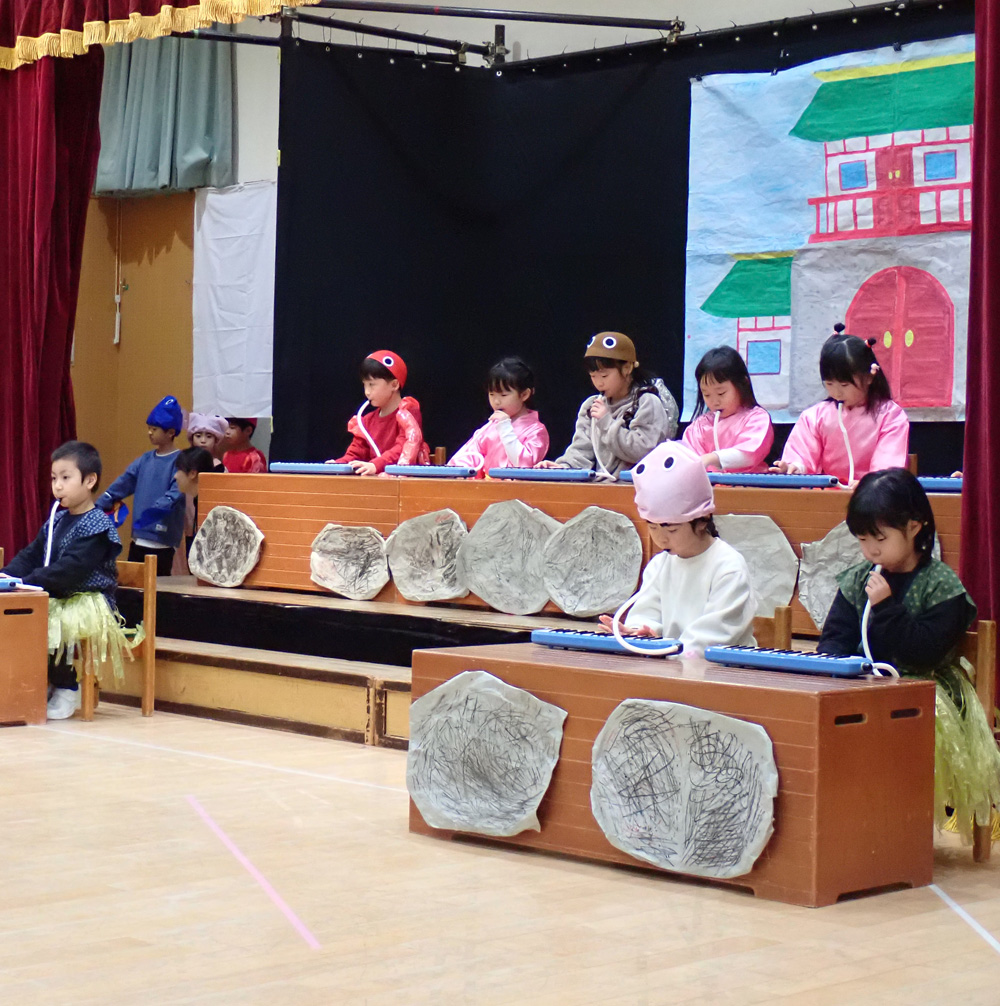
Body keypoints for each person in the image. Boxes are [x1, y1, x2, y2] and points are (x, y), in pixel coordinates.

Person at [817, 468, 1000, 840]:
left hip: (926, 692)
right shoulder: (857, 580)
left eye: (880, 538)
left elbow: (924, 651)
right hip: (865, 685)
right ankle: (853, 826)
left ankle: (901, 829)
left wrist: (885, 608)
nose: (871, 550)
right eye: (863, 539)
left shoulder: (942, 585)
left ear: (914, 527)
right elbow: (835, 640)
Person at [1, 442, 130, 720]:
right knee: (23, 614)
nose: (57, 486)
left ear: (89, 481)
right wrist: (8, 576)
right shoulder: (57, 521)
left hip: (89, 599)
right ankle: (33, 682)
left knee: (52, 619)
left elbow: (71, 569)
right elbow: (32, 554)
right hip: (58, 593)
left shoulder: (98, 526)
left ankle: (67, 686)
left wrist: (27, 581)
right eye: (53, 478)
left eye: (65, 478)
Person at [599, 441, 756, 657]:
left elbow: (710, 637)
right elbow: (647, 613)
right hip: (672, 665)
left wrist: (663, 650)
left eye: (671, 529)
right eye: (652, 527)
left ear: (702, 520)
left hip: (723, 671)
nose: (660, 538)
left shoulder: (728, 567)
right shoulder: (659, 565)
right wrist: (640, 633)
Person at [772, 324, 908, 486]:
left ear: (869, 377)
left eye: (844, 385)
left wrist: (870, 484)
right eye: (829, 384)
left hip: (871, 495)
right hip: (827, 492)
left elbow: (888, 465)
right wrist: (795, 467)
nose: (836, 393)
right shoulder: (815, 416)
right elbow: (802, 455)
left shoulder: (890, 415)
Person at [537, 332, 678, 478]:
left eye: (604, 376)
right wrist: (564, 467)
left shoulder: (646, 402)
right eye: (593, 376)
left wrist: (607, 422)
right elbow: (581, 451)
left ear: (627, 368)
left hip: (635, 486)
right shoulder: (591, 406)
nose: (599, 383)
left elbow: (644, 450)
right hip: (602, 487)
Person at [97, 395, 185, 575]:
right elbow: (125, 481)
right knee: (133, 584)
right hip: (138, 539)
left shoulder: (180, 462)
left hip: (162, 542)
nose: (149, 433)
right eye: (149, 428)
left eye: (154, 429)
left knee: (158, 586)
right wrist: (102, 502)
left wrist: (152, 514)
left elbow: (175, 494)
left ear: (170, 432)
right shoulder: (145, 460)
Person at [329, 350, 429, 475]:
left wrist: (376, 465)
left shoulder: (408, 413)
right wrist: (338, 464)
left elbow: (404, 447)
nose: (367, 392)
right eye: (365, 385)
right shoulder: (366, 421)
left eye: (372, 385)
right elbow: (356, 453)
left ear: (394, 385)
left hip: (406, 481)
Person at [448, 357, 549, 475]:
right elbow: (467, 456)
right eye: (491, 394)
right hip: (487, 485)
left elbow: (523, 465)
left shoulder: (536, 431)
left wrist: (505, 428)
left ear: (524, 394)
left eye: (503, 395)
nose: (496, 401)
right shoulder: (490, 426)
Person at [682, 346, 774, 473]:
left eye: (721, 393)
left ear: (742, 384)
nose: (714, 401)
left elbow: (750, 454)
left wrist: (712, 458)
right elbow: (688, 457)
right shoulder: (700, 426)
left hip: (749, 484)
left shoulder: (756, 419)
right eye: (707, 394)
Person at [174, 447, 216, 561]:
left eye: (179, 470)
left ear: (192, 473)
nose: (175, 476)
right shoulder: (198, 499)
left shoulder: (211, 505)